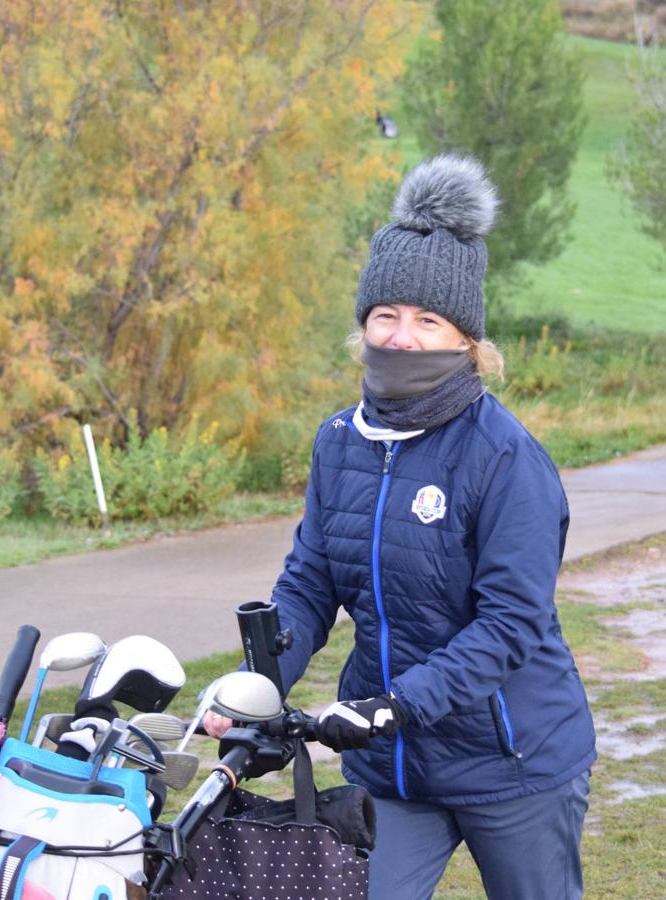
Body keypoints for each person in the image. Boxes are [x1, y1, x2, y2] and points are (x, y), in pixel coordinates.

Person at [206, 155, 597, 899]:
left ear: (466, 340)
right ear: (364, 325)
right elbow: (312, 584)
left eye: (427, 320)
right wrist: (256, 686)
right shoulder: (339, 441)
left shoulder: (506, 458)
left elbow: (511, 623)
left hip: (512, 760)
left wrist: (396, 704)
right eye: (386, 315)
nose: (403, 335)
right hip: (393, 766)